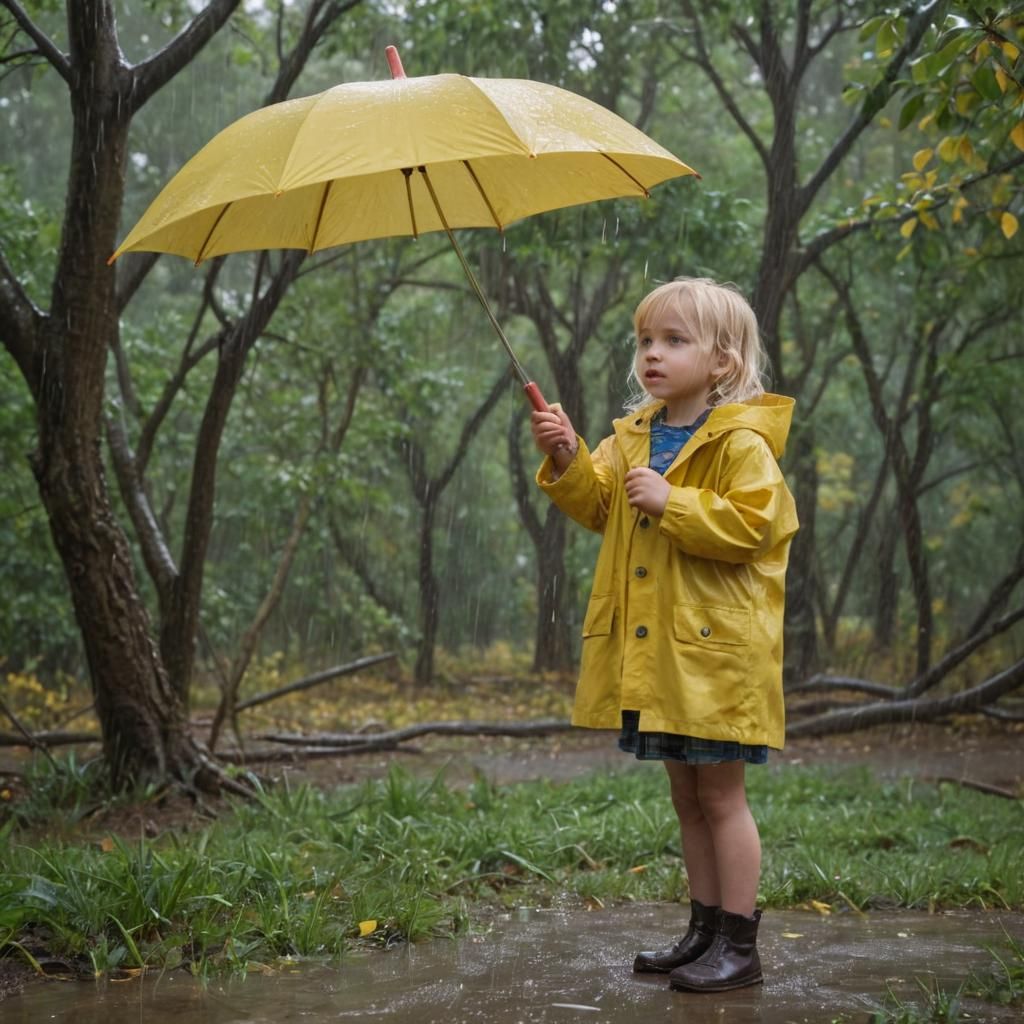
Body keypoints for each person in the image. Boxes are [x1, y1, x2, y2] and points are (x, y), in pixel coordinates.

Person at [531, 277, 798, 993]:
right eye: (646, 340)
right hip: (662, 657)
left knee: (722, 799)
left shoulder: (743, 443)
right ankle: (704, 931)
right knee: (687, 797)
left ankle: (740, 946)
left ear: (721, 361)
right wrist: (565, 455)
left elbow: (755, 528)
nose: (653, 353)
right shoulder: (634, 436)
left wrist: (675, 501)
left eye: (674, 340)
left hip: (717, 658)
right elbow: (599, 506)